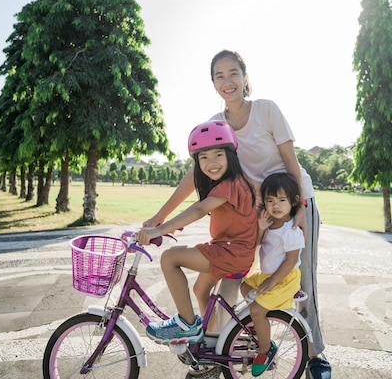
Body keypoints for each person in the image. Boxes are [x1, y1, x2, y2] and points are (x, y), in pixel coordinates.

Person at [143, 49, 331, 378]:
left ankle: (314, 353)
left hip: (293, 205)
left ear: (245, 78)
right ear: (214, 84)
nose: (227, 81)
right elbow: (194, 179)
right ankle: (214, 356)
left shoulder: (266, 110)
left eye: (233, 73)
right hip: (256, 212)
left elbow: (291, 160)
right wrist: (160, 217)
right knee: (230, 279)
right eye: (219, 76)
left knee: (301, 281)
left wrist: (299, 205)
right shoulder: (216, 126)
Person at [137, 120, 257, 348]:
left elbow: (200, 209)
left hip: (231, 253)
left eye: (218, 155)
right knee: (200, 289)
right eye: (203, 157)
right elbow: (205, 209)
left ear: (230, 156)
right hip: (231, 250)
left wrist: (160, 229)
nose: (211, 162)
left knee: (170, 258)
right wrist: (166, 223)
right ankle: (210, 339)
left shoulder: (231, 184)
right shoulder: (228, 183)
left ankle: (186, 324)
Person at [240, 173, 305, 376]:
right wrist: (260, 228)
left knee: (257, 311)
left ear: (293, 201)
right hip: (266, 275)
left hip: (284, 278)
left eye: (281, 200)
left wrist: (273, 281)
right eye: (270, 200)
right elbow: (259, 244)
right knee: (243, 286)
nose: (275, 205)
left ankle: (265, 351)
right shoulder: (270, 223)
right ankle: (262, 327)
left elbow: (292, 260)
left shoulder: (291, 230)